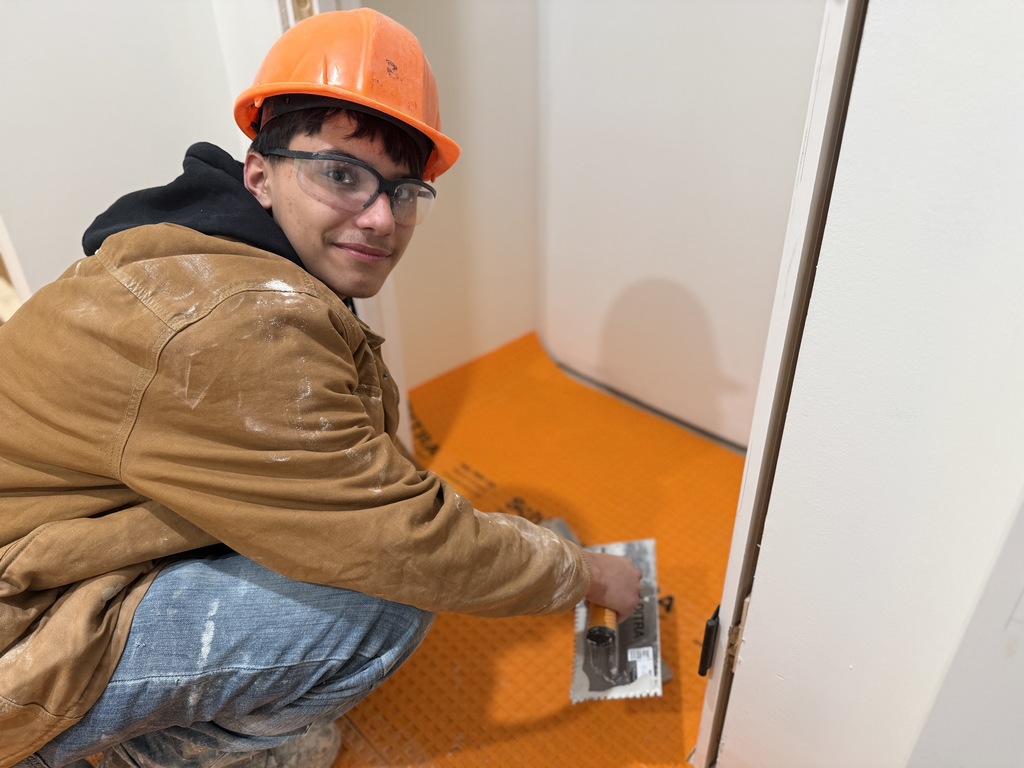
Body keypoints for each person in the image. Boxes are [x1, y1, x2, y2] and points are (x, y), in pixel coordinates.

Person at [0, 9, 642, 768]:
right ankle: (180, 753)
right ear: (259, 172)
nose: (380, 218)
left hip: (52, 557)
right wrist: (584, 574)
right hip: (21, 630)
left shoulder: (213, 257)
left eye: (404, 191)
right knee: (383, 597)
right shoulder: (233, 323)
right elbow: (402, 544)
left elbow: (348, 464)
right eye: (342, 174)